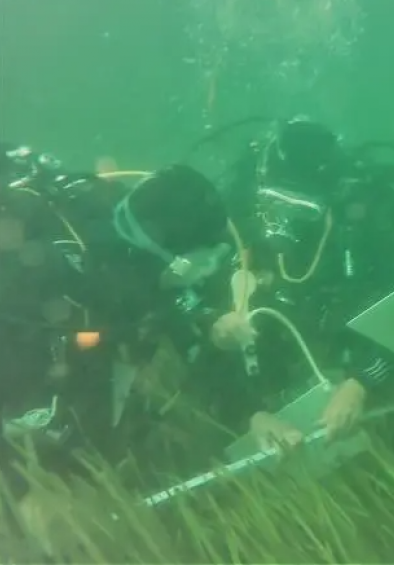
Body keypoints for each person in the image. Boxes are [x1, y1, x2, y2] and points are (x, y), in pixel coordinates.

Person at [0, 142, 235, 555]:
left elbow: (176, 322)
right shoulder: (54, 274)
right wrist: (27, 488)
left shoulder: (119, 253)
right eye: (201, 261)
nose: (204, 272)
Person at [200, 117, 394, 452]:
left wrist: (359, 384)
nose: (282, 220)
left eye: (301, 207)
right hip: (278, 367)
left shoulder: (360, 236)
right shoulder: (244, 230)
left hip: (346, 355)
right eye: (274, 202)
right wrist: (251, 414)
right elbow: (201, 345)